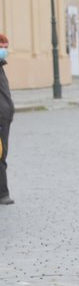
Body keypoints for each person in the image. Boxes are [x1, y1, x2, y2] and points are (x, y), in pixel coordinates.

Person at [0, 33, 14, 205]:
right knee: (1, 154)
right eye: (1, 47)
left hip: (4, 117)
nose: (3, 50)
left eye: (5, 47)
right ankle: (3, 193)